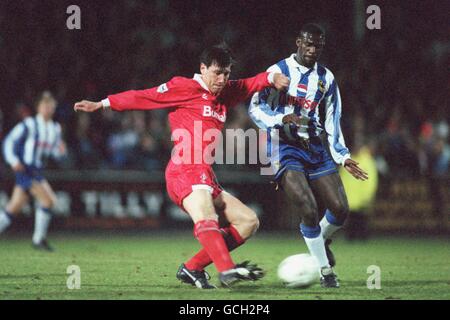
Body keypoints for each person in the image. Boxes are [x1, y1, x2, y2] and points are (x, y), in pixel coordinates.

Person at [74, 43, 290, 288]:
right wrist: (102, 104)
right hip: (184, 168)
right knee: (207, 217)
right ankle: (227, 270)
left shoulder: (225, 92)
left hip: (205, 174)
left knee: (248, 221)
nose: (222, 79)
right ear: (203, 68)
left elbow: (251, 83)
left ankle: (193, 268)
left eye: (227, 73)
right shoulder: (184, 87)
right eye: (217, 73)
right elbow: (144, 96)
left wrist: (272, 77)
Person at [248, 24, 368, 288]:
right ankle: (325, 271)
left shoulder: (327, 77)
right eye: (309, 44)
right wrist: (281, 118)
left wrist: (342, 155)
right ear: (298, 43)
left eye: (318, 46)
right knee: (308, 207)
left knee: (340, 208)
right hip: (281, 146)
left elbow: (332, 118)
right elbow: (256, 109)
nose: (313, 50)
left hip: (314, 145)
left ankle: (320, 242)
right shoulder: (277, 71)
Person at [0, 91, 67, 251]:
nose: (48, 109)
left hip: (37, 170)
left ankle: (38, 239)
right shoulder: (29, 124)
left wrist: (61, 152)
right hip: (26, 169)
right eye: (45, 106)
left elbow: (53, 153)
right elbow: (9, 141)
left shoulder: (55, 128)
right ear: (38, 107)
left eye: (51, 106)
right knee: (48, 200)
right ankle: (38, 240)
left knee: (14, 207)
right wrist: (13, 161)